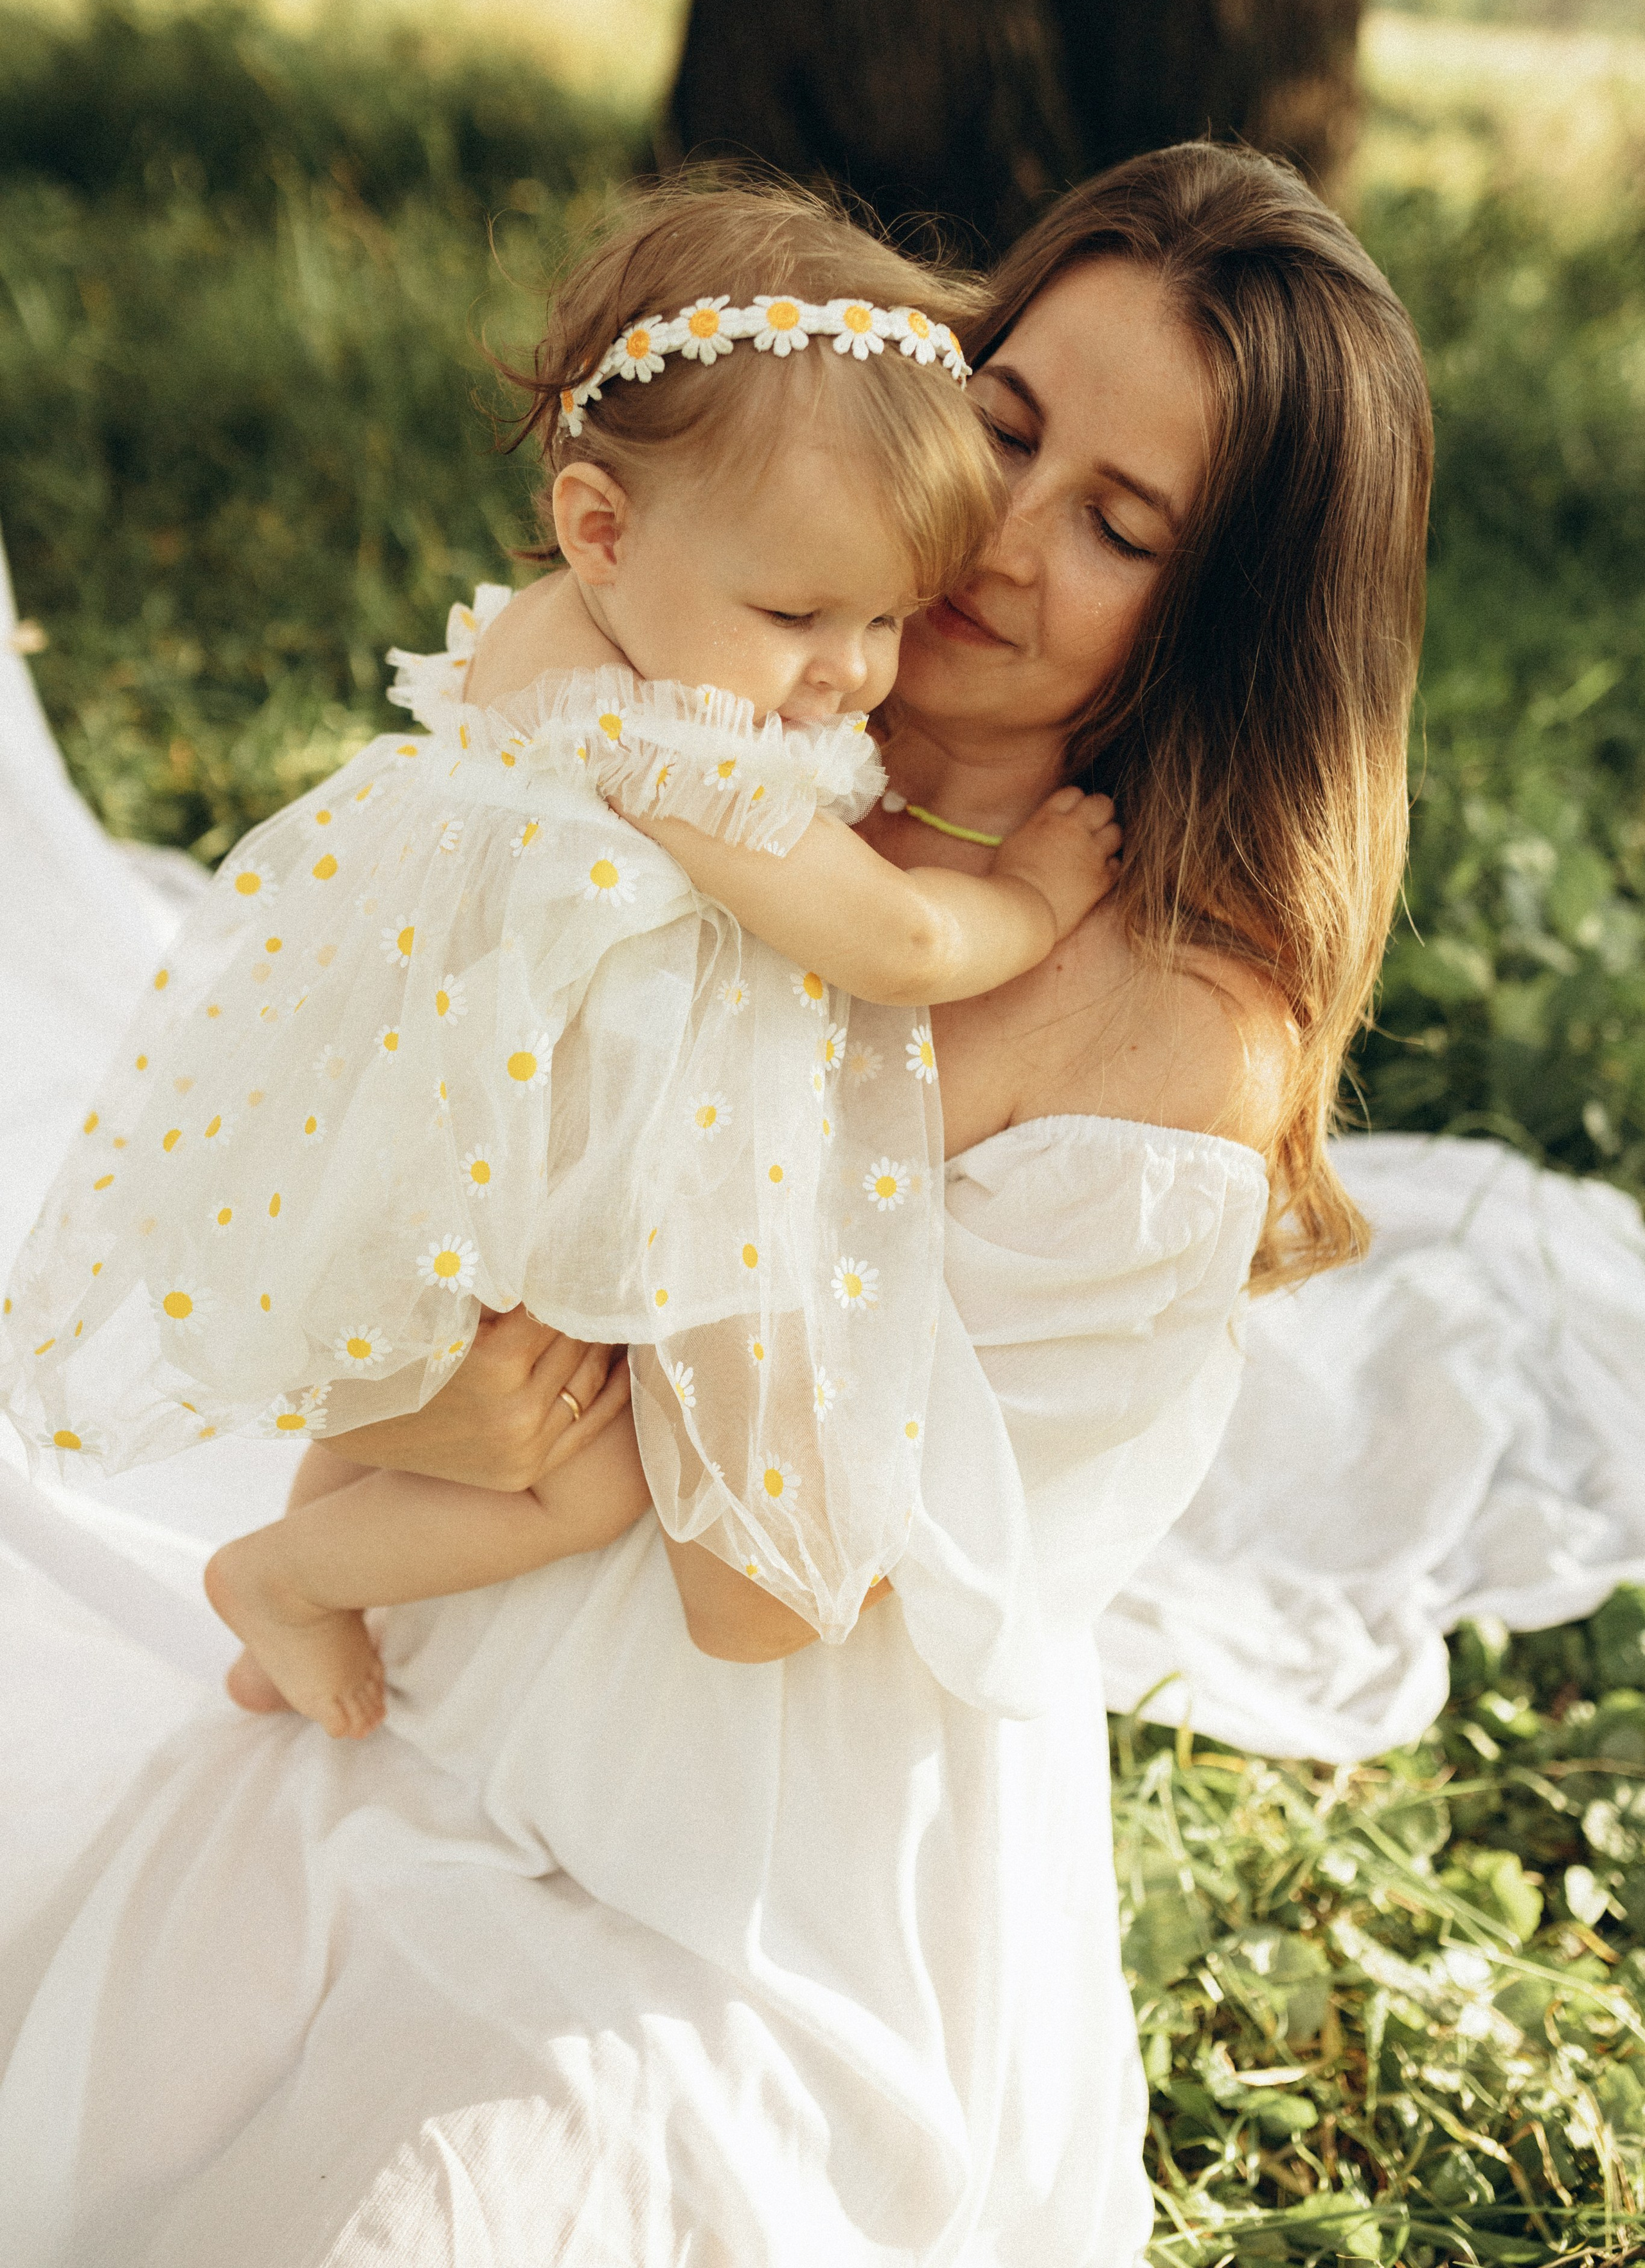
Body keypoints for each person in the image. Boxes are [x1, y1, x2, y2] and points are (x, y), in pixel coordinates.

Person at [0, 141, 1431, 2266]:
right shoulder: (697, 694)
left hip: (757, 1850)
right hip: (443, 1666)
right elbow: (380, 1218)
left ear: (1218, 614)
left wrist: (601, 1317)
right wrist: (412, 1429)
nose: (1004, 544)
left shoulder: (1163, 1029)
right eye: (1007, 426)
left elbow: (788, 1583)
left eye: (1123, 527)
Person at [0, 183, 1117, 1739]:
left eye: (885, 616)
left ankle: (309, 1580)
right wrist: (1042, 897)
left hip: (443, 1139)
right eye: (798, 610)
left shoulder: (572, 636)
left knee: (418, 1408)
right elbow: (899, 940)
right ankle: (290, 1577)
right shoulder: (662, 748)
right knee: (583, 1476)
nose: (849, 674)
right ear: (600, 525)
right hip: (526, 1174)